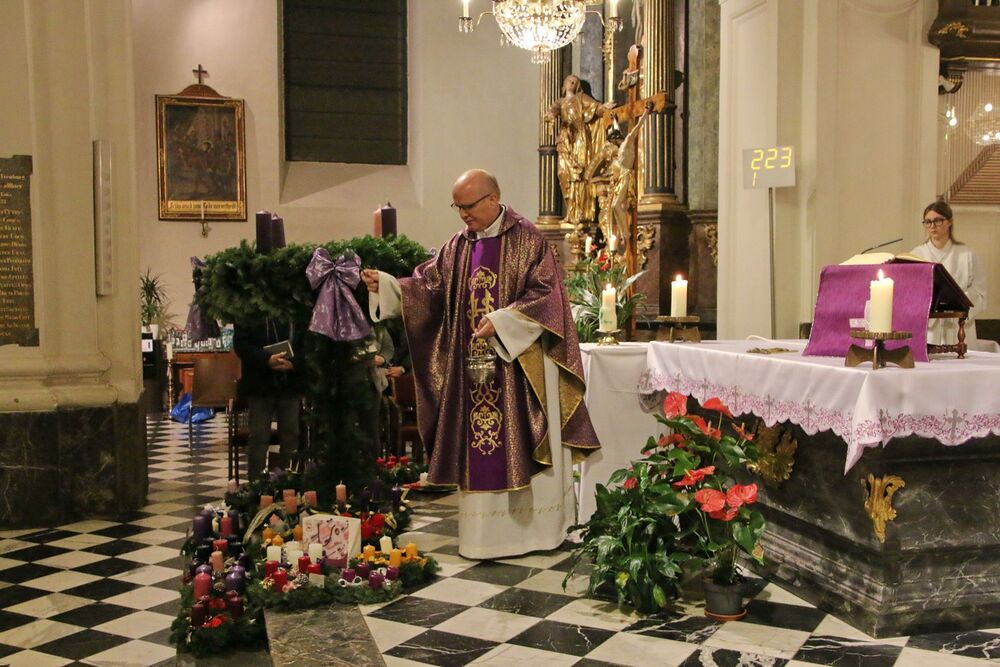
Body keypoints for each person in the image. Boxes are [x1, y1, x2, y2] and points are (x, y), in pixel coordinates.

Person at [361, 169, 601, 559]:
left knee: (523, 439)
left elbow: (548, 297)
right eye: (457, 207)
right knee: (479, 446)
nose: (463, 215)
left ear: (493, 199)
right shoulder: (458, 246)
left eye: (468, 206)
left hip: (521, 370)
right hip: (472, 375)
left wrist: (504, 321)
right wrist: (388, 286)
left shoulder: (529, 240)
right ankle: (484, 538)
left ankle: (538, 533)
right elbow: (428, 289)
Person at [911, 201, 987, 348]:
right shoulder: (917, 255)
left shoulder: (967, 254)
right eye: (928, 222)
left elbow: (979, 292)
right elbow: (912, 291)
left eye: (938, 221)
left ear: (949, 222)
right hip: (929, 326)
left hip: (959, 326)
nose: (932, 226)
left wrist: (956, 301)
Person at [233, 319, 302, 480]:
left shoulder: (294, 309)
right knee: (258, 437)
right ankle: (256, 484)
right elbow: (241, 345)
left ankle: (289, 483)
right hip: (260, 385)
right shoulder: (248, 311)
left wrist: (294, 363)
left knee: (291, 435)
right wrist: (266, 359)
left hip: (289, 384)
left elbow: (305, 342)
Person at [546, 74, 607, 227]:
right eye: (569, 80)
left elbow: (596, 108)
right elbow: (553, 110)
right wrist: (550, 115)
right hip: (566, 139)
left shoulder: (582, 98)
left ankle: (580, 213)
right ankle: (570, 210)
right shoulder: (561, 102)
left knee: (579, 175)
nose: (572, 82)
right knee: (563, 173)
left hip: (580, 138)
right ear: (564, 85)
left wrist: (605, 107)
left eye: (575, 81)